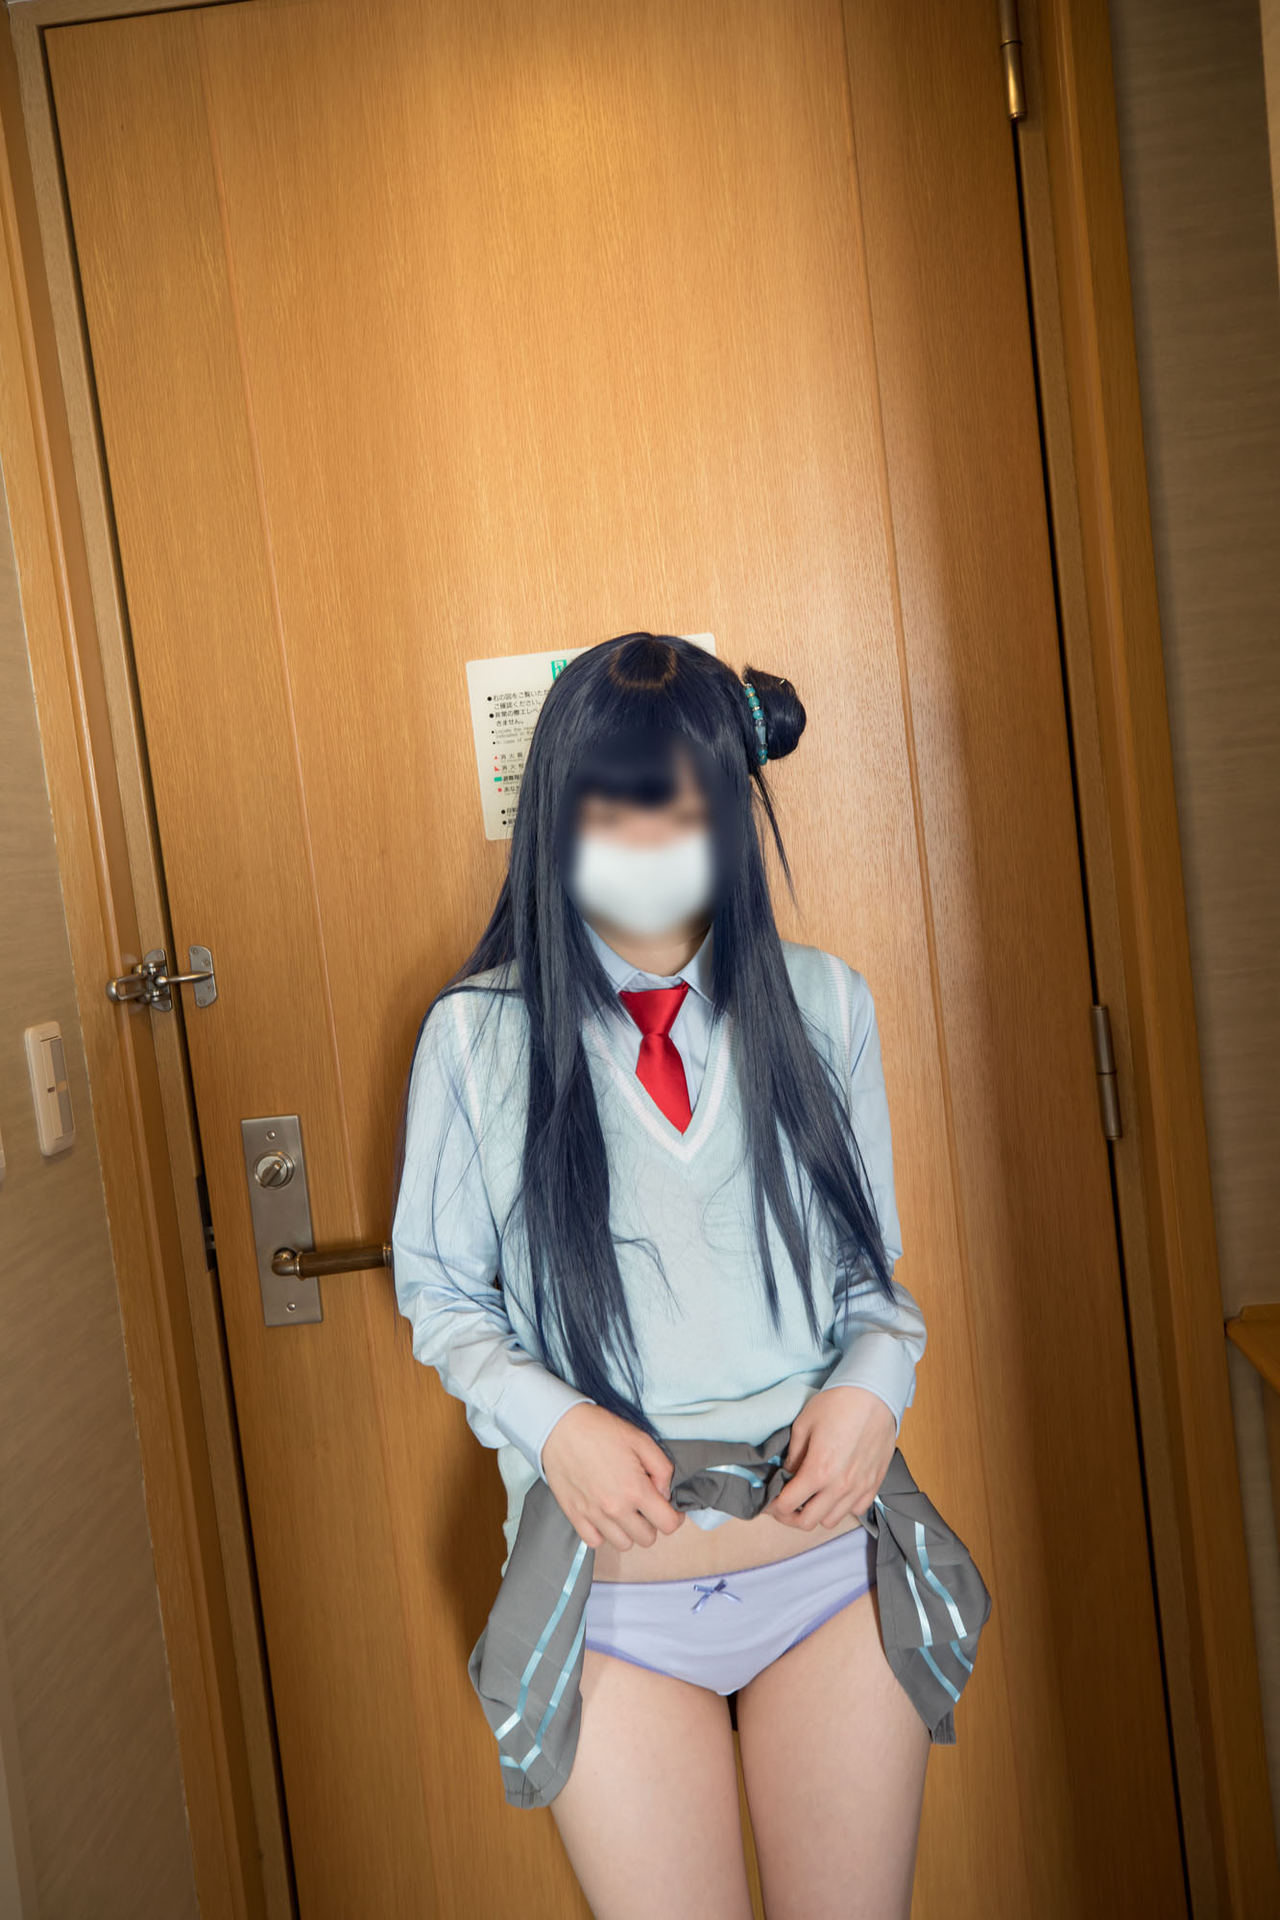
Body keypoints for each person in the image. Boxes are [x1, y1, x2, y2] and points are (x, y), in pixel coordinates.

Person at [390, 632, 933, 1918]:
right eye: (609, 814)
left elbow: (870, 1284)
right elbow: (443, 1297)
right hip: (608, 1602)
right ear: (558, 824)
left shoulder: (825, 1005)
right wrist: (556, 1426)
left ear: (730, 815)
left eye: (679, 813)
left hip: (829, 1575)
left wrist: (875, 1388)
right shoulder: (473, 1036)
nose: (646, 848)